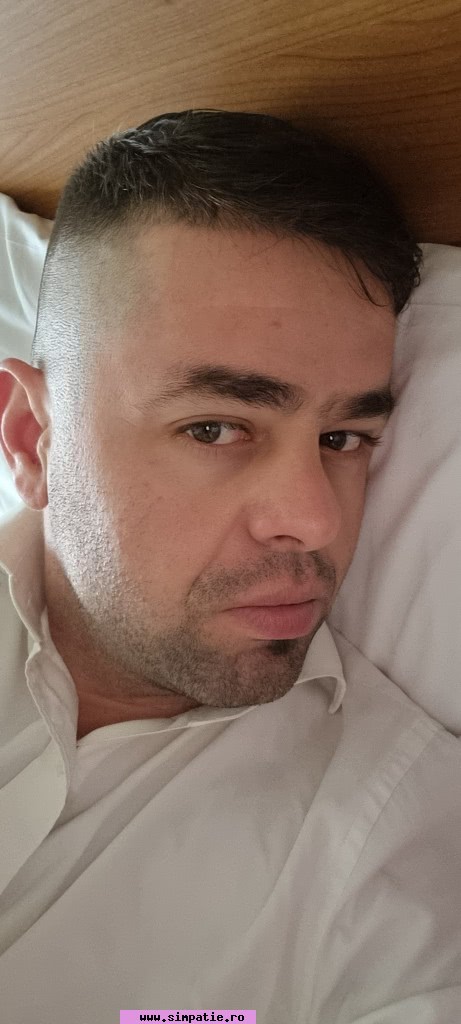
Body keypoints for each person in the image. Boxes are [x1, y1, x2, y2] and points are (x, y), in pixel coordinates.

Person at [0, 109, 459, 1024]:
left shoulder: (389, 851)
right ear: (31, 440)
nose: (315, 520)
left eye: (344, 436)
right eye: (214, 427)